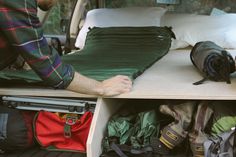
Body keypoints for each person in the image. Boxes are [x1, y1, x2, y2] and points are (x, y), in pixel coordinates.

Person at [0, 0, 132, 96]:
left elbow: (20, 40)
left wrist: (21, 61)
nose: (58, 2)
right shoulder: (19, 3)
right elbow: (48, 66)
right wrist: (100, 87)